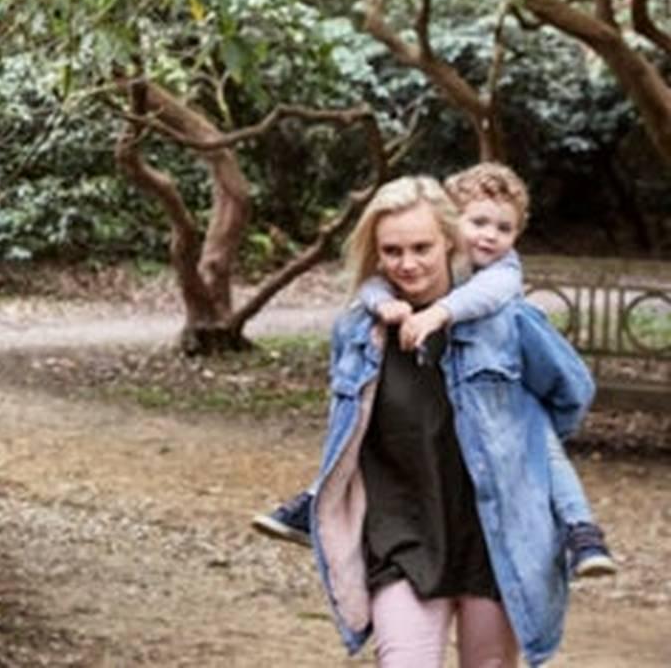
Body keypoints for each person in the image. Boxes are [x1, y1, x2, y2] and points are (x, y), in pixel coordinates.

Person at [252, 163, 617, 580]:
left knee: (542, 441)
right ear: (450, 224)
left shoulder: (502, 275)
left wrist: (440, 313)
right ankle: (316, 500)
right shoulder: (421, 269)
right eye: (478, 222)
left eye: (504, 228)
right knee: (356, 423)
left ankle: (580, 530)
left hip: (508, 408)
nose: (489, 236)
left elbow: (498, 308)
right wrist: (382, 305)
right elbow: (373, 282)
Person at [308, 175, 595, 666]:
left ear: (449, 240)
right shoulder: (357, 332)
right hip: (402, 536)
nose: (408, 263)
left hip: (494, 537)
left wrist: (523, 448)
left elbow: (572, 393)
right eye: (392, 251)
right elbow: (345, 437)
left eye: (421, 247)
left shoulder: (508, 320)